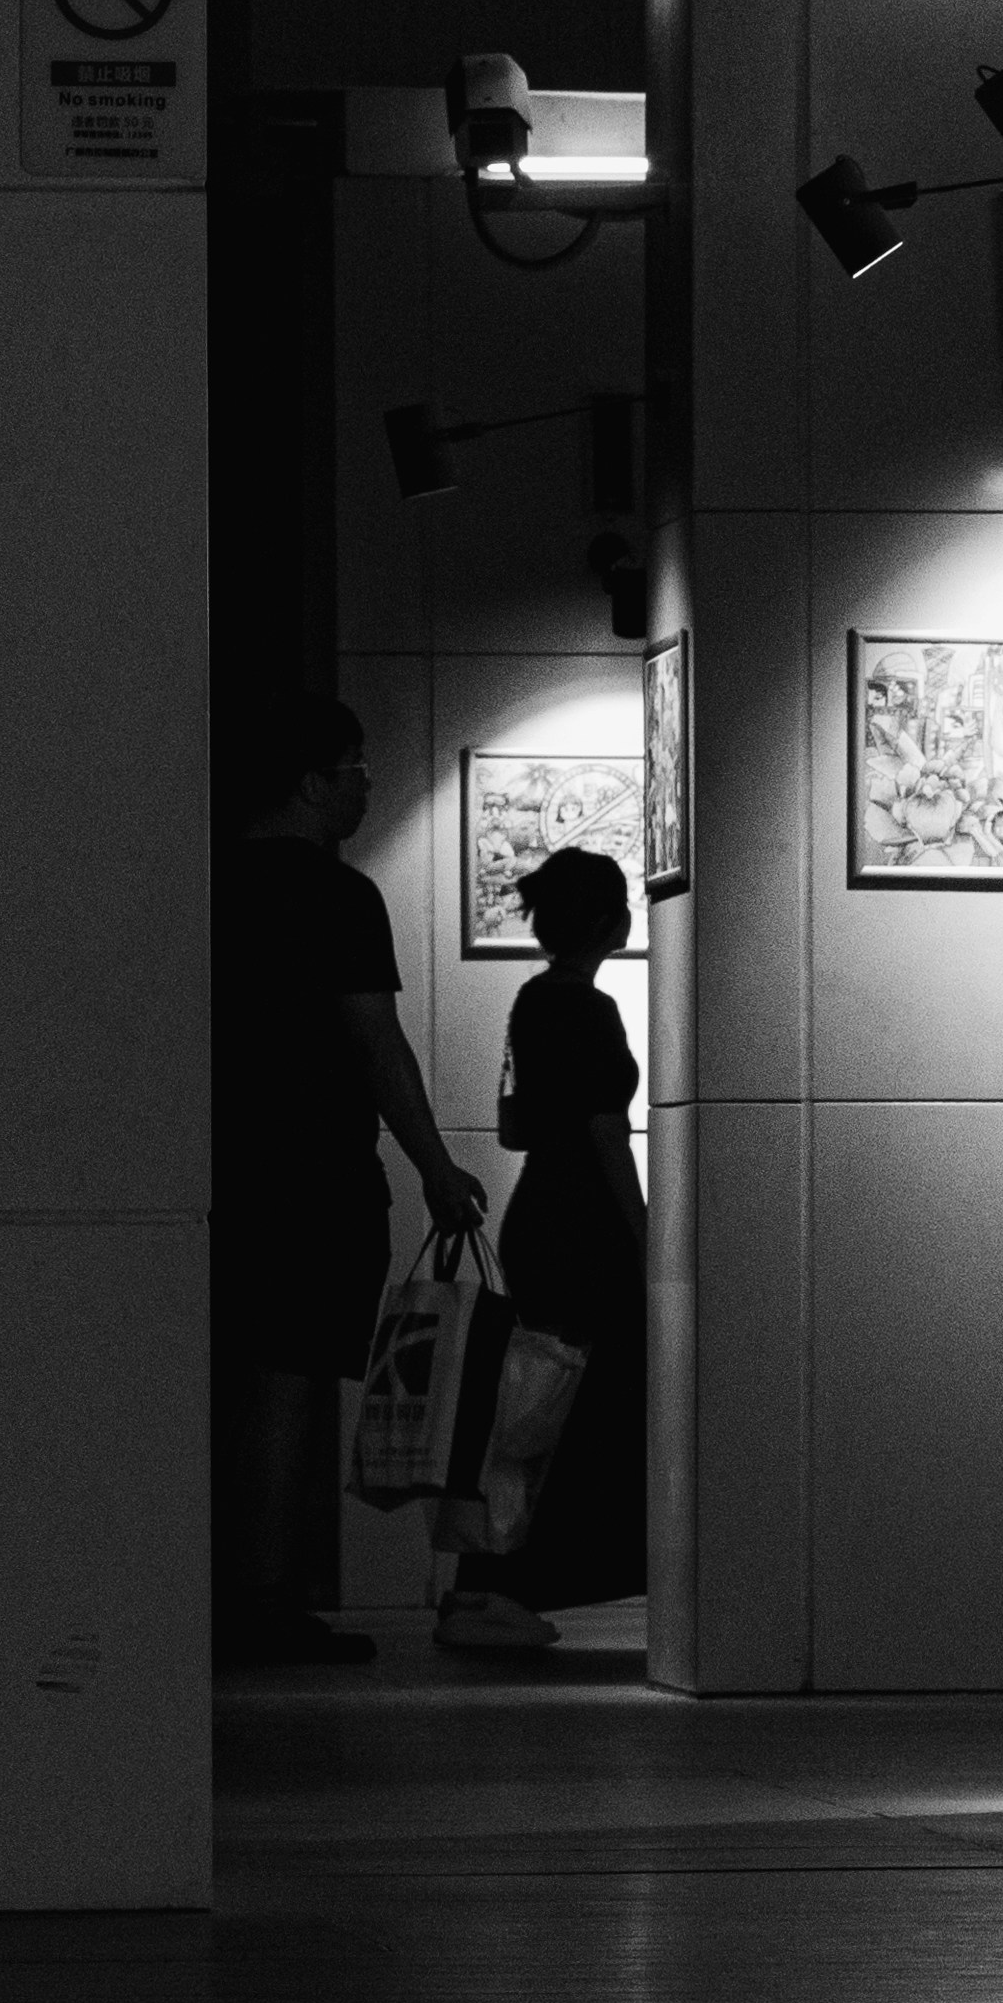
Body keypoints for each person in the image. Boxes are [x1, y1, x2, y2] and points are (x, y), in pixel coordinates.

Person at [223, 699, 490, 1666]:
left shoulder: (196, 883)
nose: (365, 784)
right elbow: (374, 1042)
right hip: (309, 1171)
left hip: (216, 1170)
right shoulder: (338, 897)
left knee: (226, 1380)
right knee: (286, 1383)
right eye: (354, 767)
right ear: (310, 783)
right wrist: (434, 1167)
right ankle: (263, 1603)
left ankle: (215, 1591)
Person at [435, 847, 648, 1651]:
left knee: (525, 1404)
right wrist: (644, 1230)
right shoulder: (592, 1011)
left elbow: (517, 1124)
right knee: (570, 1412)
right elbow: (604, 1131)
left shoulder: (531, 1000)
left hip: (537, 1213)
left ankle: (477, 1587)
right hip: (584, 1222)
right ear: (605, 921)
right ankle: (507, 1584)